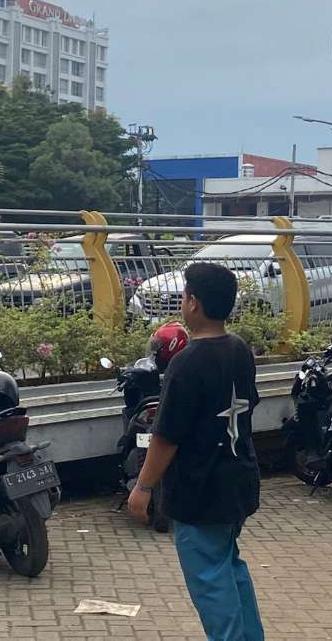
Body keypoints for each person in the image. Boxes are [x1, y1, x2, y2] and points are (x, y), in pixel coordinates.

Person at [128, 263, 264, 640]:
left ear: (194, 303)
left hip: (200, 490)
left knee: (210, 581)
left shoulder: (187, 363)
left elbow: (166, 436)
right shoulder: (240, 350)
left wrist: (142, 488)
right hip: (238, 479)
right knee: (229, 567)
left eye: (185, 295)